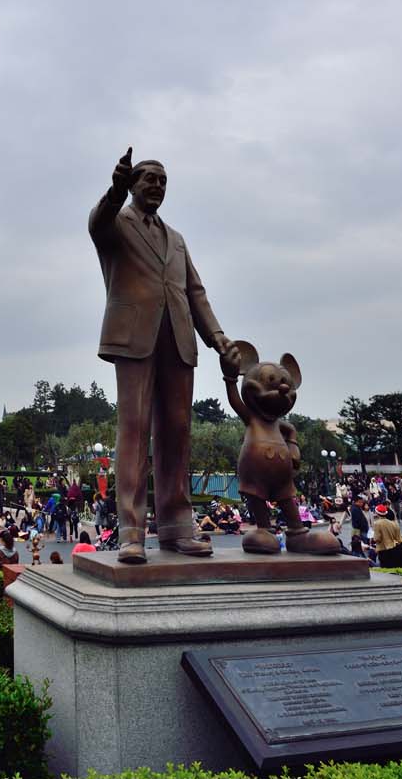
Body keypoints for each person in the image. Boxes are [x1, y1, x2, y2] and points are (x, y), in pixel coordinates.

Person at [89, 148, 231, 563]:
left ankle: (176, 529)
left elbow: (195, 292)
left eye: (163, 180)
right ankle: (132, 531)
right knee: (134, 430)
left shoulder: (178, 239)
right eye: (148, 178)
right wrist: (113, 191)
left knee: (176, 432)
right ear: (132, 184)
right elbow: (97, 223)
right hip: (134, 336)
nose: (157, 185)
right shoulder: (116, 223)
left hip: (179, 338)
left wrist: (218, 338)